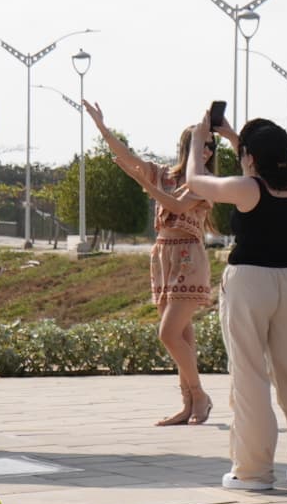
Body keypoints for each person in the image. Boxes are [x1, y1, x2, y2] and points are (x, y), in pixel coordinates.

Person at [191, 119, 287, 491]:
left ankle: (253, 470)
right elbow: (263, 158)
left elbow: (195, 181)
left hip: (249, 282)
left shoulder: (247, 188)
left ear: (251, 157)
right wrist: (230, 136)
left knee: (249, 375)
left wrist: (196, 141)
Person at [84, 99, 215, 427]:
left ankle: (200, 395)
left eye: (213, 146)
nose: (209, 151)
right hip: (162, 256)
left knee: (168, 333)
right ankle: (187, 404)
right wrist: (102, 127)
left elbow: (174, 205)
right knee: (181, 335)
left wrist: (143, 184)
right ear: (188, 145)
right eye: (204, 144)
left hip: (187, 258)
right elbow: (128, 157)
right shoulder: (163, 174)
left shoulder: (202, 185)